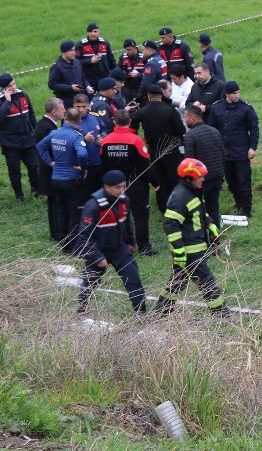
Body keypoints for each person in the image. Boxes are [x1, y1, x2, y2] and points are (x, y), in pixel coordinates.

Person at [154, 158, 230, 316]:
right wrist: (179, 250)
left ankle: (160, 312)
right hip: (189, 251)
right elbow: (170, 224)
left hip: (192, 249)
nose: (203, 179)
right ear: (189, 178)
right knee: (206, 280)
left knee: (178, 281)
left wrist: (210, 224)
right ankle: (222, 314)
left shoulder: (192, 191)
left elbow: (199, 212)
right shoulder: (180, 197)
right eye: (200, 176)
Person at [73, 170, 147, 314]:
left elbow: (126, 223)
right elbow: (84, 236)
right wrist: (97, 257)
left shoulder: (124, 200)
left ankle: (142, 314)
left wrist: (131, 242)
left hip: (119, 248)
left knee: (133, 279)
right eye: (118, 187)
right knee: (90, 282)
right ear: (107, 187)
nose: (122, 190)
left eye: (124, 186)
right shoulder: (93, 206)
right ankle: (82, 309)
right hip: (98, 249)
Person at [100, 109, 159, 256]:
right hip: (135, 184)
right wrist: (155, 182)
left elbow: (102, 165)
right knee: (140, 216)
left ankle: (117, 245)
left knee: (116, 216)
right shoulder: (136, 140)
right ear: (130, 122)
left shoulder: (106, 140)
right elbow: (145, 165)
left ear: (114, 122)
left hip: (113, 186)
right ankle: (144, 247)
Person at [36, 107, 88, 249]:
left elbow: (40, 146)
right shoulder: (76, 137)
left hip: (56, 178)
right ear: (79, 121)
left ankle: (62, 241)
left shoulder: (55, 133)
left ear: (65, 119)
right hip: (71, 179)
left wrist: (51, 162)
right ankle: (73, 244)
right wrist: (82, 168)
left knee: (61, 210)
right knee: (74, 211)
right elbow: (82, 154)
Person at [132, 85, 185, 213]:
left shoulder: (142, 112)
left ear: (149, 97)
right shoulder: (170, 111)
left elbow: (133, 127)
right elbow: (181, 130)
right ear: (162, 95)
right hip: (171, 151)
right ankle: (176, 206)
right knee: (174, 178)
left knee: (159, 179)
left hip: (154, 152)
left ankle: (163, 207)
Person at [209, 81, 258, 217]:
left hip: (242, 152)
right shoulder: (216, 108)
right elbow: (212, 128)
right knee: (231, 181)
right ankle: (238, 203)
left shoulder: (246, 108)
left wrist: (253, 147)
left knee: (244, 181)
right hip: (224, 152)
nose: (237, 95)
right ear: (227, 94)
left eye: (238, 92)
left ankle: (246, 209)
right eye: (234, 93)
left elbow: (254, 129)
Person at [0, 73, 39, 203]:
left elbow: (31, 113)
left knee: (34, 166)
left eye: (14, 83)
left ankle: (36, 189)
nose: (13, 87)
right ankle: (19, 195)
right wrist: (7, 101)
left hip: (28, 138)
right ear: (4, 88)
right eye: (9, 86)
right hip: (10, 142)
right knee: (14, 169)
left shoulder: (23, 94)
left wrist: (37, 131)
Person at [183, 105, 225, 227]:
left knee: (197, 211)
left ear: (192, 118)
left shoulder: (190, 136)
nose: (185, 120)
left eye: (185, 117)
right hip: (217, 177)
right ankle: (215, 241)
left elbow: (189, 163)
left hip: (201, 180)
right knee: (214, 210)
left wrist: (188, 183)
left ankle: (201, 240)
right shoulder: (215, 131)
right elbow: (223, 155)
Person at [35, 98, 66, 240]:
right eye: (62, 108)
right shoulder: (47, 128)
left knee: (54, 203)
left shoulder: (44, 124)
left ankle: (56, 232)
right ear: (54, 112)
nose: (64, 110)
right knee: (55, 204)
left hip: (47, 171)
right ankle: (57, 233)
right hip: (50, 172)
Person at [73, 94, 104, 201]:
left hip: (98, 161)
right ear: (74, 106)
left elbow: (104, 129)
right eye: (78, 106)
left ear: (88, 106)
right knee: (85, 194)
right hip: (83, 164)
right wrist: (84, 140)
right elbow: (69, 141)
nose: (81, 109)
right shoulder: (70, 121)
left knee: (100, 192)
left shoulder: (95, 117)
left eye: (83, 106)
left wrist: (102, 137)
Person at [48, 40, 91, 109]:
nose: (74, 53)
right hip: (67, 102)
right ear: (63, 52)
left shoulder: (77, 62)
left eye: (74, 50)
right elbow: (52, 84)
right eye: (71, 51)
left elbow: (83, 77)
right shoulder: (57, 67)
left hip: (81, 99)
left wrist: (88, 86)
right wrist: (70, 87)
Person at [76, 22, 116, 91]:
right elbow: (76, 62)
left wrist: (116, 74)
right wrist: (90, 61)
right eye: (91, 31)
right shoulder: (80, 45)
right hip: (88, 79)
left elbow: (111, 59)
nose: (93, 33)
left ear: (98, 32)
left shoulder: (105, 43)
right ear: (87, 33)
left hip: (104, 77)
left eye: (95, 31)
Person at [118, 39, 145, 105]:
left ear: (135, 48)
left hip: (140, 87)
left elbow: (148, 74)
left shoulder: (143, 57)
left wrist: (138, 75)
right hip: (127, 88)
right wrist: (125, 74)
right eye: (126, 50)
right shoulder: (123, 57)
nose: (127, 52)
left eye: (129, 50)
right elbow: (118, 71)